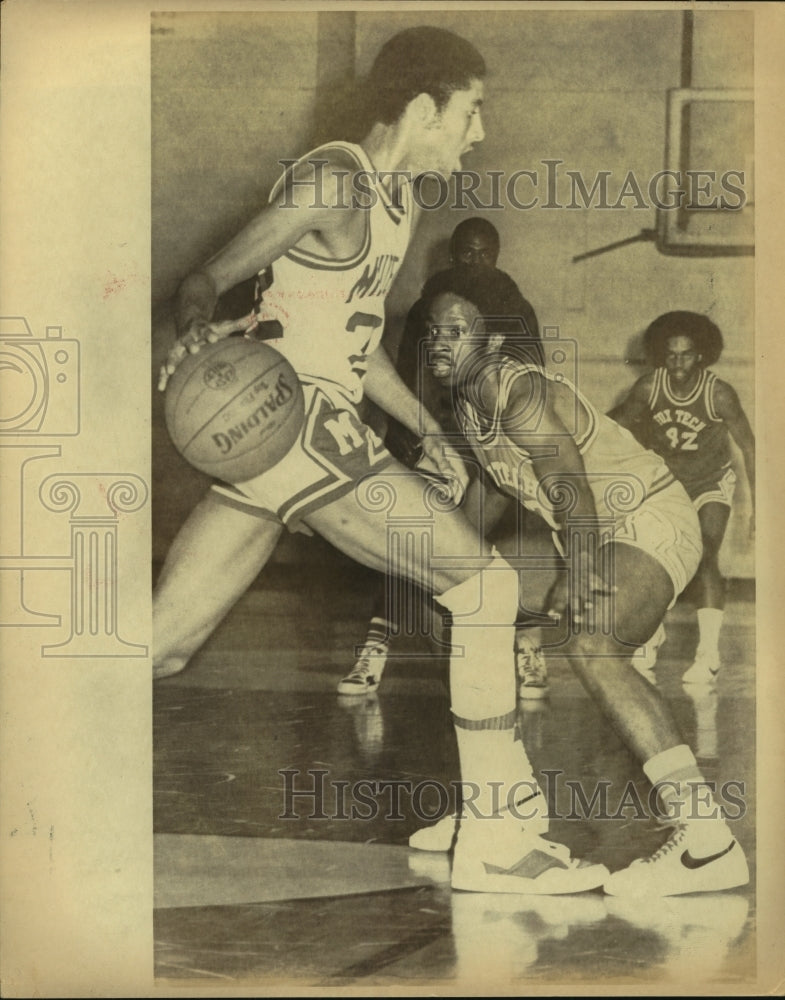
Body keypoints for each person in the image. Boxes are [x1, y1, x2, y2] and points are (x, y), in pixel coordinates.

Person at [154, 26, 604, 895]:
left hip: (299, 436)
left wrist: (428, 432)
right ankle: (498, 837)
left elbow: (355, 352)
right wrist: (199, 334)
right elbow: (205, 279)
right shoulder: (333, 180)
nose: (477, 134)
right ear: (424, 106)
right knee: (485, 587)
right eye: (470, 112)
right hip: (295, 426)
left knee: (160, 649)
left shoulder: (400, 201)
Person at [419, 265, 749, 896]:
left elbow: (566, 475)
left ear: (488, 343)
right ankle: (499, 805)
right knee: (468, 615)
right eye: (433, 330)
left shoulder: (504, 385)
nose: (439, 342)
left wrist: (582, 564)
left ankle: (708, 843)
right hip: (610, 524)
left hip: (650, 516)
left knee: (594, 646)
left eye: (456, 331)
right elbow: (498, 484)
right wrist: (443, 557)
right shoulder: (465, 398)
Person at [339, 218, 545, 699]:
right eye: (466, 253)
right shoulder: (428, 309)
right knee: (410, 543)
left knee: (469, 550)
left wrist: (510, 448)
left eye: (483, 254)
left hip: (492, 443)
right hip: (443, 434)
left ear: (496, 256)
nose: (474, 262)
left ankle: (527, 643)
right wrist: (411, 435)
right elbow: (407, 377)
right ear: (453, 256)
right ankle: (375, 646)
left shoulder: (513, 310)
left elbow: (533, 386)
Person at [609, 312, 755, 684]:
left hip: (710, 482)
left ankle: (708, 653)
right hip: (665, 484)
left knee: (706, 553)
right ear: (661, 354)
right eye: (671, 355)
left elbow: (750, 447)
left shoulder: (718, 393)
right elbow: (614, 426)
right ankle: (651, 635)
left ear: (701, 356)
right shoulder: (648, 387)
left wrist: (761, 508)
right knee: (654, 557)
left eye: (686, 355)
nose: (678, 363)